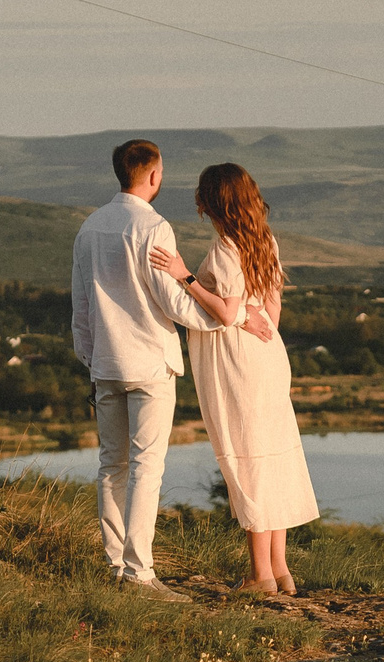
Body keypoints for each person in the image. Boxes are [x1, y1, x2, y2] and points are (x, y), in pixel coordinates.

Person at [69, 139, 270, 599]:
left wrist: (90, 356)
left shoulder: (90, 226)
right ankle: (139, 573)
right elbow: (175, 303)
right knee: (146, 468)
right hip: (149, 363)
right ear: (154, 175)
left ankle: (115, 565)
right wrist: (237, 315)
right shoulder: (153, 228)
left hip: (105, 362)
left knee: (111, 465)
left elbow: (81, 302)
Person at [147, 162, 320, 595]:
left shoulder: (226, 249)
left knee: (249, 462)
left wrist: (184, 275)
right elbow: (272, 314)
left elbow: (225, 312)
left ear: (211, 203)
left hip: (237, 362)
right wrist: (251, 319)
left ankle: (260, 576)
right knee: (271, 459)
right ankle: (280, 570)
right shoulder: (265, 241)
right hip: (267, 355)